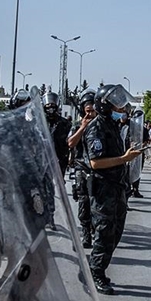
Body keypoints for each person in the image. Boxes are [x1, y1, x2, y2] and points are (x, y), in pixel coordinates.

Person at [84, 84, 142, 295]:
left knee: (115, 232)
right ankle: (96, 272)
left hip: (117, 187)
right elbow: (95, 163)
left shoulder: (113, 126)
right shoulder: (96, 128)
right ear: (105, 106)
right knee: (104, 233)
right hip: (103, 189)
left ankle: (99, 267)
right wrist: (124, 158)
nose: (122, 110)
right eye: (117, 107)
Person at [68, 90, 96, 248]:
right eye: (87, 111)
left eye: (93, 111)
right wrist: (83, 127)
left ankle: (95, 230)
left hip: (98, 169)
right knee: (84, 201)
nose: (90, 114)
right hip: (82, 168)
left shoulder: (101, 126)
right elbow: (70, 143)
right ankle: (86, 233)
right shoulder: (77, 126)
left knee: (96, 202)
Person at [42, 92, 72, 176]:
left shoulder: (65, 123)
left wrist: (71, 156)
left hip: (60, 158)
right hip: (43, 159)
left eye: (52, 103)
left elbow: (71, 141)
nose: (50, 106)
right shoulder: (40, 122)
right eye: (48, 104)